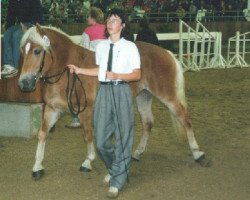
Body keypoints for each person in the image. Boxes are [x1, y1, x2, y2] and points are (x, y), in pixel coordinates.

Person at [68, 8, 141, 198]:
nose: (110, 22)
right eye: (109, 19)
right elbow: (100, 70)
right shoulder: (100, 47)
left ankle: (117, 181)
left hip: (122, 90)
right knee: (100, 141)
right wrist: (79, 70)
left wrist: (118, 75)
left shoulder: (130, 47)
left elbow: (137, 74)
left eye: (115, 20)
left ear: (122, 25)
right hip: (104, 92)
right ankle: (116, 168)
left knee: (124, 136)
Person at [66, 7, 106, 129]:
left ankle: (76, 118)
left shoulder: (88, 31)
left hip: (91, 65)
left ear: (92, 17)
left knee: (73, 87)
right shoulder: (107, 29)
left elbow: (83, 50)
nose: (87, 18)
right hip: (105, 66)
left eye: (88, 16)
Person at [1, 0, 43, 78]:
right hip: (21, 24)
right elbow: (10, 17)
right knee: (7, 34)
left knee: (16, 35)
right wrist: (8, 28)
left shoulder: (34, 1)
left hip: (33, 24)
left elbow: (39, 17)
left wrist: (29, 28)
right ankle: (9, 65)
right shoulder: (13, 2)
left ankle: (16, 67)